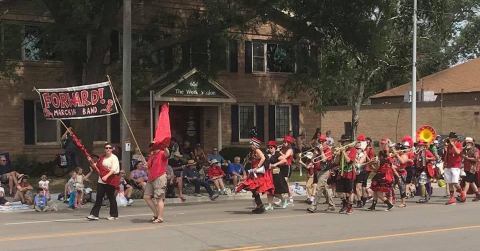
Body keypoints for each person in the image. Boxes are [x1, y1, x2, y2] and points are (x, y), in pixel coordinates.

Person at [236, 137, 274, 214]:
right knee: (253, 189)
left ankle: (260, 206)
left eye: (252, 144)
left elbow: (263, 158)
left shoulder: (257, 150)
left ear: (255, 145)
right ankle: (259, 206)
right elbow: (254, 160)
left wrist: (258, 167)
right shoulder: (253, 152)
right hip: (254, 172)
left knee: (254, 188)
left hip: (258, 173)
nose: (250, 146)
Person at [87, 142, 120, 221]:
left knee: (111, 197)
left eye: (109, 148)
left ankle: (114, 214)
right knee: (99, 197)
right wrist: (90, 161)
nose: (108, 149)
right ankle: (94, 214)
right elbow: (96, 166)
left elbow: (114, 170)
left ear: (112, 149)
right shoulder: (102, 158)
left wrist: (106, 176)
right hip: (101, 181)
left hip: (110, 180)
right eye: (106, 148)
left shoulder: (114, 158)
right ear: (104, 149)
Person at [308, 134, 335, 212]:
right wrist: (315, 154)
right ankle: (331, 205)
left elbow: (324, 160)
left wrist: (322, 151)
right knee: (325, 189)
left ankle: (313, 206)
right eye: (319, 141)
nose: (320, 143)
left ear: (325, 142)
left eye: (322, 141)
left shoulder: (328, 150)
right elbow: (313, 159)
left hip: (326, 171)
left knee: (319, 188)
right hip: (319, 170)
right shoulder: (318, 149)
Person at [144, 142, 169, 223]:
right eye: (151, 146)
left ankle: (160, 217)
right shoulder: (151, 156)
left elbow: (167, 154)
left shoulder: (162, 153)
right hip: (151, 178)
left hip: (160, 177)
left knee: (159, 198)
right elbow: (148, 168)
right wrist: (146, 167)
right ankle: (156, 214)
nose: (152, 147)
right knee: (146, 197)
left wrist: (164, 147)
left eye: (153, 146)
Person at [368, 140, 395, 211]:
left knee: (379, 193)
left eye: (384, 144)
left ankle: (389, 204)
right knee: (375, 190)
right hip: (379, 173)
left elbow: (387, 156)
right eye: (381, 144)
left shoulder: (389, 154)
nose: (382, 145)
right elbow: (377, 167)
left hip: (384, 174)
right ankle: (373, 205)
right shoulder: (380, 153)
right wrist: (371, 164)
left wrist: (388, 143)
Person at [335, 136, 357, 215]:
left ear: (348, 142)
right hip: (341, 172)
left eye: (343, 142)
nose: (342, 144)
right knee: (339, 192)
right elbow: (337, 162)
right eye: (341, 142)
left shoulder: (353, 150)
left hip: (349, 173)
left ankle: (350, 207)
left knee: (350, 192)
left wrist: (343, 152)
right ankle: (344, 204)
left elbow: (349, 161)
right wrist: (337, 154)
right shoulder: (342, 150)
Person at [266, 140, 290, 210]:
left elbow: (284, 160)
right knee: (269, 190)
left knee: (275, 191)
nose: (270, 149)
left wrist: (275, 164)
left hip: (276, 174)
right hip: (269, 173)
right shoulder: (268, 154)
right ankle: (270, 205)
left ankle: (283, 200)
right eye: (269, 147)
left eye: (271, 147)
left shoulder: (277, 154)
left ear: (274, 147)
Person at [443, 132, 465, 205]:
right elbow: (447, 155)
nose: (450, 139)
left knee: (455, 182)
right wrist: (445, 163)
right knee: (449, 182)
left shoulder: (459, 144)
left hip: (456, 166)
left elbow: (458, 152)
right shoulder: (449, 145)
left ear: (455, 139)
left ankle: (462, 193)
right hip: (448, 166)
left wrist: (453, 145)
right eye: (450, 138)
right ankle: (452, 198)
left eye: (451, 138)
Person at [461, 137, 479, 201]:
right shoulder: (465, 149)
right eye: (466, 142)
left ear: (471, 143)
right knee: (472, 182)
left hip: (472, 169)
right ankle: (478, 194)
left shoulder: (475, 150)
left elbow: (476, 159)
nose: (467, 143)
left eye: (468, 142)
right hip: (467, 168)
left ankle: (463, 196)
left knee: (467, 182)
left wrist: (467, 158)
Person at [279, 135, 295, 205]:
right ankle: (282, 198)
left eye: (286, 142)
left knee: (285, 182)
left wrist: (279, 152)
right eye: (284, 141)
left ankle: (290, 197)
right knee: (282, 182)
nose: (284, 143)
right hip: (281, 166)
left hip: (287, 167)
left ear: (289, 143)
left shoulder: (290, 150)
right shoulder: (282, 149)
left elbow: (285, 157)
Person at [353, 134, 368, 208]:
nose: (356, 150)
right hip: (356, 171)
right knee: (357, 187)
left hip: (362, 172)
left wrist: (354, 158)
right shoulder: (356, 154)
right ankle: (360, 200)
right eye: (356, 148)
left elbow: (360, 163)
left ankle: (361, 200)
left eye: (358, 148)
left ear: (361, 149)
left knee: (360, 187)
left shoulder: (363, 154)